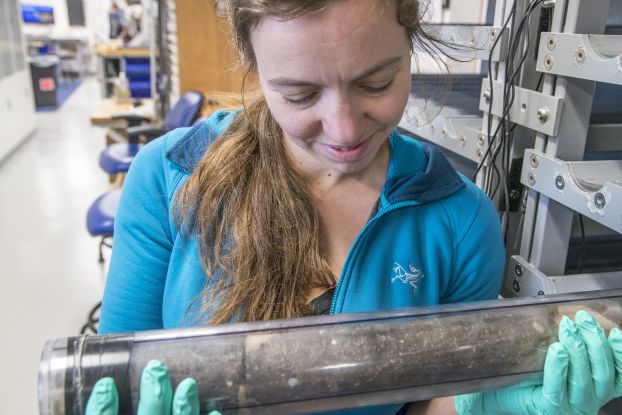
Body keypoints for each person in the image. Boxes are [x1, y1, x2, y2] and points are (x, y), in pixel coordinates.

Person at [86, 0, 622, 414]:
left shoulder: (457, 222)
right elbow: (115, 381)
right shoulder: (171, 179)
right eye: (299, 95)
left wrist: (484, 406)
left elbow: (428, 403)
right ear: (253, 64)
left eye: (376, 82)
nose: (344, 130)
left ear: (411, 40)